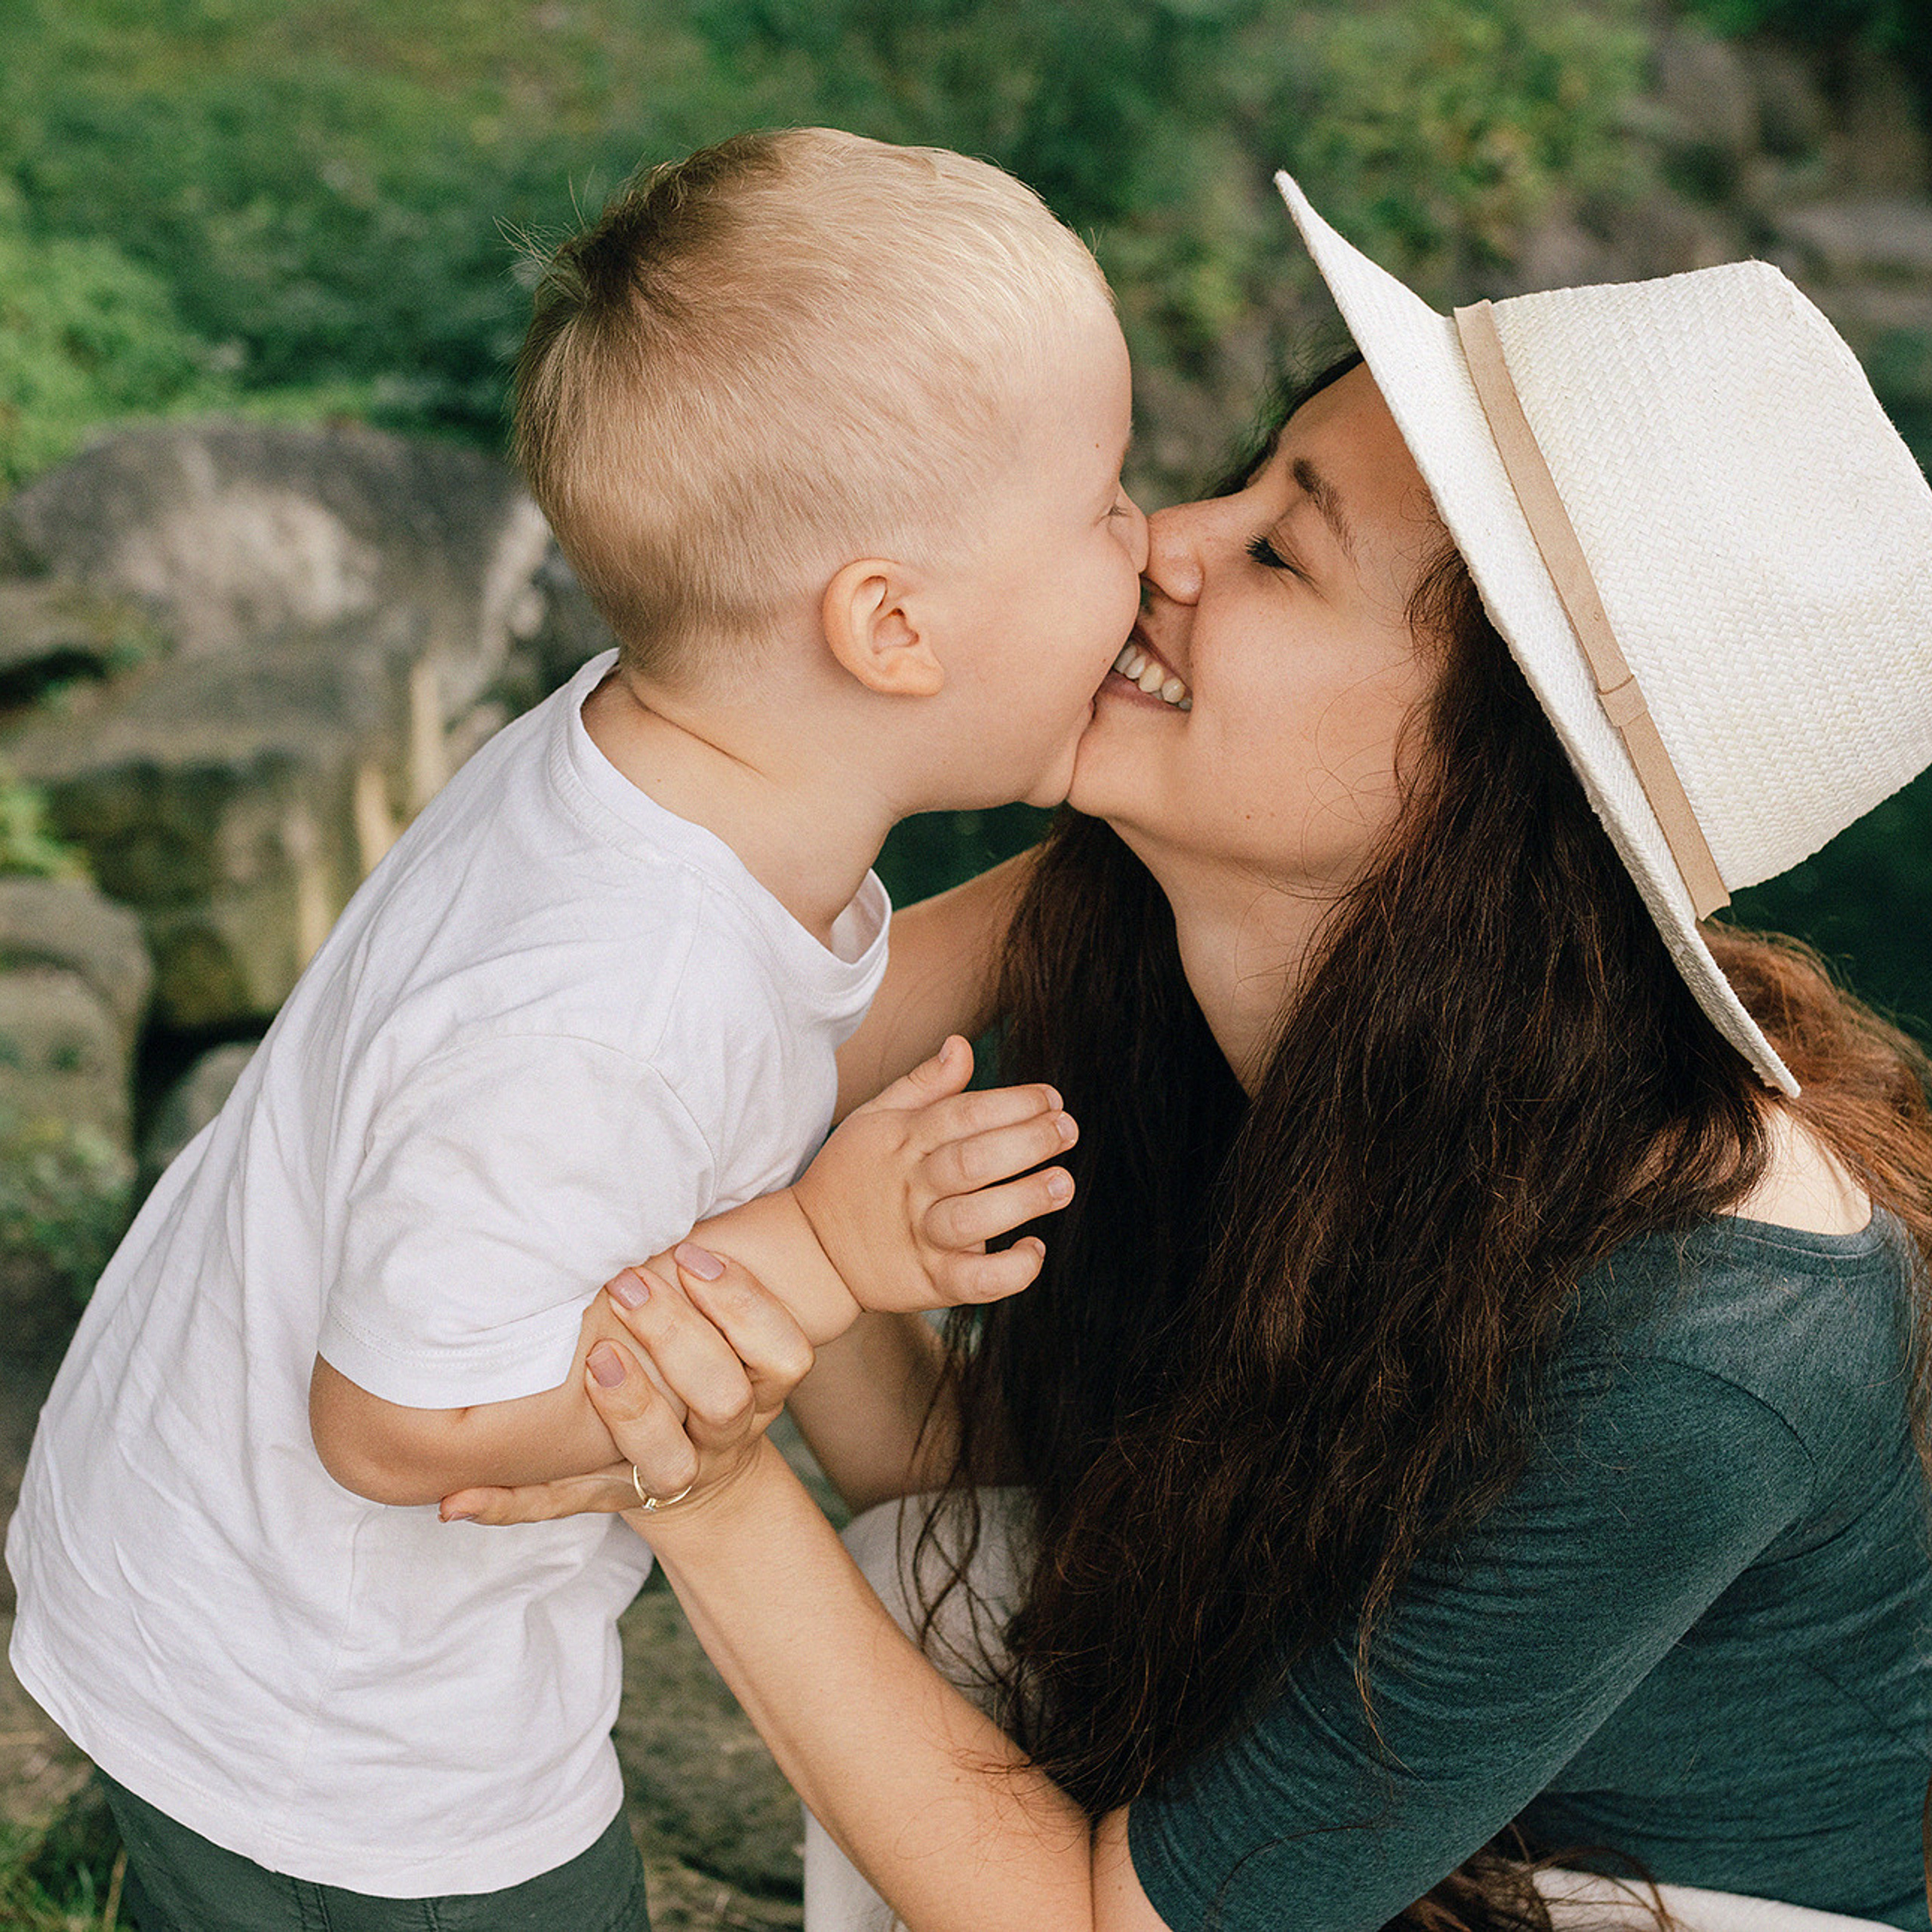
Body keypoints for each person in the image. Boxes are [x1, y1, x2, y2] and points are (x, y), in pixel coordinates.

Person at [448, 176, 1932, 1930]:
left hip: (1630, 1897)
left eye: (1279, 552)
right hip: (1370, 1808)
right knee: (938, 1586)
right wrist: (768, 1286)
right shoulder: (1178, 933)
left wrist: (695, 1477)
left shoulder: (1704, 1332)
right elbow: (910, 1400)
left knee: (913, 1638)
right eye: (1243, 477)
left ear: (1475, 785)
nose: (1167, 538)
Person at [5, 128, 1149, 1927]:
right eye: (1103, 499)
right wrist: (816, 1242)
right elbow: (394, 1421)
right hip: (344, 1708)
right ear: (891, 624)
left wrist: (1148, 846)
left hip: (205, 1587)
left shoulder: (674, 767)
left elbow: (752, 1051)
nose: (1146, 547)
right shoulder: (607, 980)